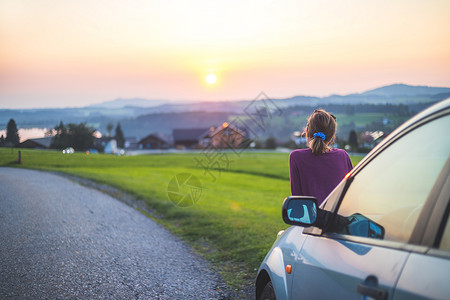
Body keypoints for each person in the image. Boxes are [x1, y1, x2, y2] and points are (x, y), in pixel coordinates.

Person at [289, 109, 353, 205]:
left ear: (307, 131)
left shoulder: (296, 157)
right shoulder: (343, 156)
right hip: (339, 218)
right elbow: (351, 192)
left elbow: (297, 199)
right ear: (332, 135)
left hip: (312, 219)